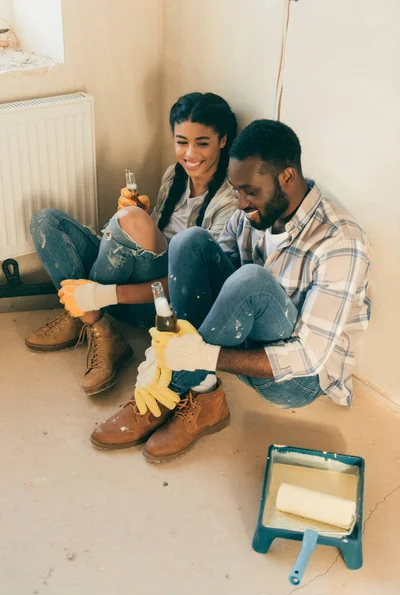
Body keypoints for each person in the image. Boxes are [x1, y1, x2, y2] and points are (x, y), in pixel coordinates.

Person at [90, 119, 371, 461]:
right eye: (236, 190)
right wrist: (166, 343)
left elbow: (308, 357)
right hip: (242, 344)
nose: (240, 203)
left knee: (251, 279)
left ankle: (165, 390)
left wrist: (201, 357)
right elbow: (204, 281)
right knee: (188, 242)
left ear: (287, 177)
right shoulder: (251, 213)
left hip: (296, 379)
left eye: (250, 191)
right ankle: (205, 394)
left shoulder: (340, 241)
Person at [25, 92, 238, 396]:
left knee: (131, 219)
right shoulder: (174, 176)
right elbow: (149, 242)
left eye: (202, 143)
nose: (190, 153)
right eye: (181, 141)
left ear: (222, 140)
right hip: (132, 283)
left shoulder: (228, 201)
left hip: (159, 303)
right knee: (46, 221)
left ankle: (86, 317)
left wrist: (103, 290)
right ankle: (95, 321)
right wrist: (134, 218)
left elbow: (192, 283)